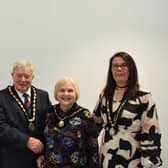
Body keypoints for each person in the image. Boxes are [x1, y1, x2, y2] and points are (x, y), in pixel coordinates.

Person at [92, 52, 162, 168]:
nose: (119, 69)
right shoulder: (105, 94)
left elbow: (151, 134)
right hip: (107, 159)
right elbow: (94, 124)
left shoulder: (143, 96)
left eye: (124, 65)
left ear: (131, 69)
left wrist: (148, 164)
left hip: (133, 161)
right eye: (115, 66)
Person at [37, 77, 99, 168]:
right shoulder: (49, 112)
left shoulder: (85, 115)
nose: (66, 94)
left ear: (76, 94)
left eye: (70, 91)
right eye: (62, 90)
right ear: (56, 93)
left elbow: (93, 147)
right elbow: (42, 138)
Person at [0, 61, 51, 168]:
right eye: (19, 76)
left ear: (32, 77)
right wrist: (26, 141)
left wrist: (44, 153)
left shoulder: (43, 96)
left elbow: (49, 125)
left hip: (38, 160)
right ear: (12, 76)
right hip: (11, 160)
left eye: (26, 76)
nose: (23, 80)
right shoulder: (1, 97)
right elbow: (1, 127)